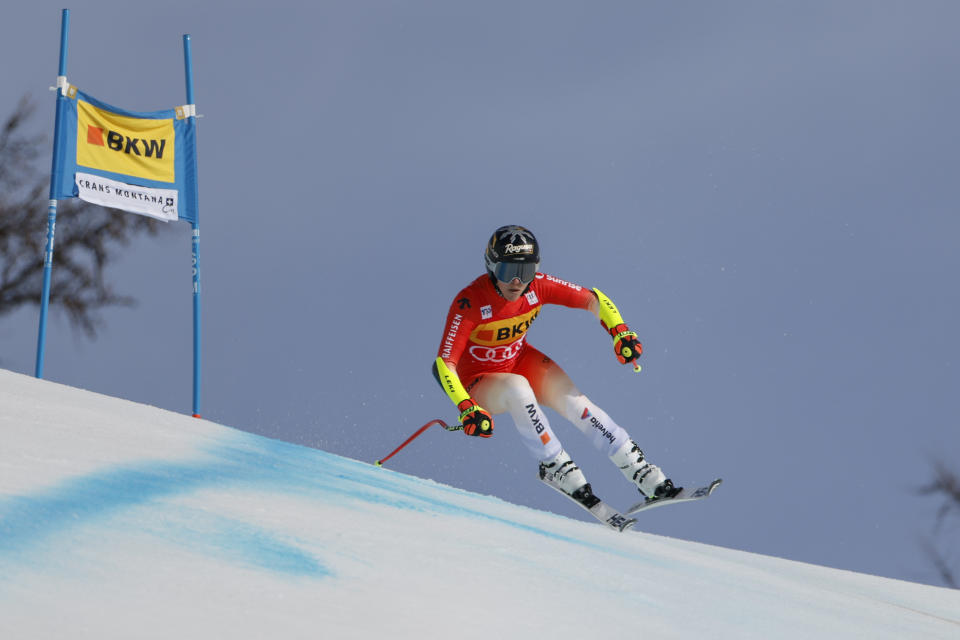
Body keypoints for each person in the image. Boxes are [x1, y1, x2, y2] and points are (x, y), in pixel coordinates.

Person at [432, 224, 681, 506]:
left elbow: (594, 299)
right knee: (517, 387)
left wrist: (620, 331)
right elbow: (444, 364)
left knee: (576, 403)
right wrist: (466, 406)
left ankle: (643, 472)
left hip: (518, 360)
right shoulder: (470, 302)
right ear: (491, 268)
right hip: (478, 382)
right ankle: (554, 465)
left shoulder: (538, 286)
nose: (516, 281)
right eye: (507, 271)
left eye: (525, 272)